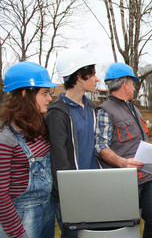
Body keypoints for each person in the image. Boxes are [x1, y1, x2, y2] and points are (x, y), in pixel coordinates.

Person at [95, 62, 152, 238]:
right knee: (126, 228)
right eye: (133, 83)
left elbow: (141, 142)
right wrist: (123, 163)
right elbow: (100, 146)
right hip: (124, 182)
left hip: (146, 179)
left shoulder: (134, 109)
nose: (134, 87)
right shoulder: (105, 111)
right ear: (125, 84)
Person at [46, 50, 100, 238]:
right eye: (92, 74)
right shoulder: (57, 113)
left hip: (93, 189)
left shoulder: (92, 107)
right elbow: (59, 160)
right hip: (72, 196)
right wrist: (70, 196)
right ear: (78, 76)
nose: (97, 79)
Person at [0, 62, 58, 238]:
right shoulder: (6, 138)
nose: (49, 98)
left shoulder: (39, 126)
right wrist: (18, 234)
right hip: (21, 218)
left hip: (46, 211)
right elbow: (1, 196)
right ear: (25, 94)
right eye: (44, 93)